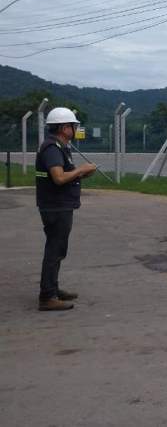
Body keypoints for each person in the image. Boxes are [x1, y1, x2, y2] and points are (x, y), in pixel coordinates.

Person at [34, 107, 96, 311]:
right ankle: (47, 296)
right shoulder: (52, 148)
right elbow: (59, 178)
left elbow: (67, 174)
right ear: (63, 127)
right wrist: (81, 169)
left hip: (59, 205)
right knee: (54, 250)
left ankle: (53, 288)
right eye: (73, 125)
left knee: (58, 249)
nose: (75, 128)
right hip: (55, 207)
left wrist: (82, 174)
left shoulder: (61, 146)